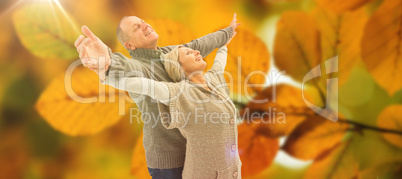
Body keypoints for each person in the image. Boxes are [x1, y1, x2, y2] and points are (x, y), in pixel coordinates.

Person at [75, 14, 241, 178]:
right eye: (137, 28)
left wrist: (227, 32)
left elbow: (199, 45)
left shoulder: (170, 52)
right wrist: (108, 62)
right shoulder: (139, 67)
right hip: (170, 163)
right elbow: (126, 67)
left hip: (195, 151)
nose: (145, 25)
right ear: (130, 45)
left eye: (143, 22)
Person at [107, 40, 241, 178]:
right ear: (179, 67)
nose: (197, 52)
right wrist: (107, 74)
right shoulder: (180, 92)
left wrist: (224, 43)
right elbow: (146, 86)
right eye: (188, 53)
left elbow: (219, 64)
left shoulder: (213, 80)